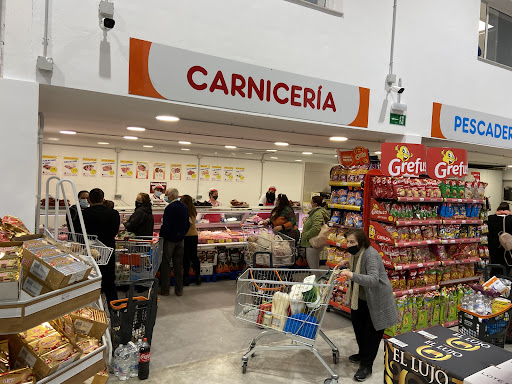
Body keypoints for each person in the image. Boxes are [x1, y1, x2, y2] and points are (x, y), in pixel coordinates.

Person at [338, 229, 398, 382]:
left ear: (361, 241)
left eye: (352, 242)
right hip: (360, 298)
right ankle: (362, 354)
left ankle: (367, 366)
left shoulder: (370, 255)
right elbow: (358, 267)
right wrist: (348, 264)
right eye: (348, 241)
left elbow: (372, 279)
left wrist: (350, 274)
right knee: (359, 329)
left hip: (376, 300)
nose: (349, 245)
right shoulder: (356, 254)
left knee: (372, 334)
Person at [81, 188, 120, 306]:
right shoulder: (114, 213)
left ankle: (91, 315)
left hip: (89, 252)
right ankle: (116, 314)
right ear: (103, 199)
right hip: (108, 251)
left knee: (89, 283)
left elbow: (79, 233)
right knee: (109, 284)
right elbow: (114, 232)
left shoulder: (84, 214)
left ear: (89, 200)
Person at [159, 188, 190, 296]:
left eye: (166, 194)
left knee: (166, 265)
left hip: (169, 240)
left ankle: (165, 290)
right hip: (180, 240)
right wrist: (182, 234)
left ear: (171, 196)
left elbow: (166, 225)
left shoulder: (169, 208)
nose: (165, 196)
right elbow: (188, 224)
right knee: (178, 266)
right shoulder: (184, 207)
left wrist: (162, 237)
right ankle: (179, 290)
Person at [300, 196, 330, 274]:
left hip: (312, 243)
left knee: (314, 269)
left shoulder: (317, 213)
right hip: (312, 242)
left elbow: (316, 228)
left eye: (311, 202)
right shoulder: (317, 212)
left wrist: (306, 235)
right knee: (314, 267)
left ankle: (317, 284)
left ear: (315, 204)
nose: (310, 204)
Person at [180, 195, 201, 286]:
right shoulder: (193, 210)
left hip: (186, 236)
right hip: (194, 235)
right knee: (194, 257)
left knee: (186, 258)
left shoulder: (184, 211)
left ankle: (186, 278)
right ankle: (198, 277)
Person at [488, 202, 512, 276]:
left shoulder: (490, 218)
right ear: (508, 209)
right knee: (506, 266)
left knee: (494, 266)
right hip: (507, 247)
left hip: (494, 247)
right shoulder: (510, 219)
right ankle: (505, 282)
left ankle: (493, 283)